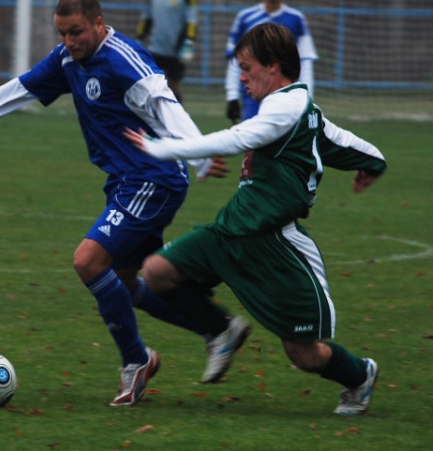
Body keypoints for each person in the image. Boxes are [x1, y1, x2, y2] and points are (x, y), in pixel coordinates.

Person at [0, 0, 238, 407]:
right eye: (62, 33)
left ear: (97, 23)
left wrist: (199, 153)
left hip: (154, 176)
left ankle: (136, 362)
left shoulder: (123, 59)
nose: (69, 41)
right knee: (127, 286)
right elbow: (15, 92)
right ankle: (219, 328)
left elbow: (165, 104)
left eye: (76, 32)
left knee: (88, 262)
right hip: (127, 180)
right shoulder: (66, 61)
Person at [125, 23, 386, 415]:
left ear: (274, 66)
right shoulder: (300, 108)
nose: (242, 77)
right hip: (231, 232)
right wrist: (374, 163)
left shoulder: (285, 106)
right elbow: (342, 141)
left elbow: (235, 139)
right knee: (158, 270)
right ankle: (221, 329)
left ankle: (359, 375)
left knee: (304, 354)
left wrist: (163, 147)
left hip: (274, 245)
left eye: (247, 68)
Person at [225, 0, 318, 123]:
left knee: (284, 145)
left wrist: (307, 96)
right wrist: (232, 95)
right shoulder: (245, 18)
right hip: (253, 95)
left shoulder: (296, 20)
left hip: (287, 97)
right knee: (252, 145)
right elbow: (236, 61)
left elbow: (305, 60)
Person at [136, 0, 197, 103]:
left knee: (174, 87)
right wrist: (139, 37)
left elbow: (191, 20)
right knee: (151, 85)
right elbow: (146, 17)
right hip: (155, 47)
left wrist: (188, 41)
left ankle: (177, 120)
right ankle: (151, 120)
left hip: (176, 49)